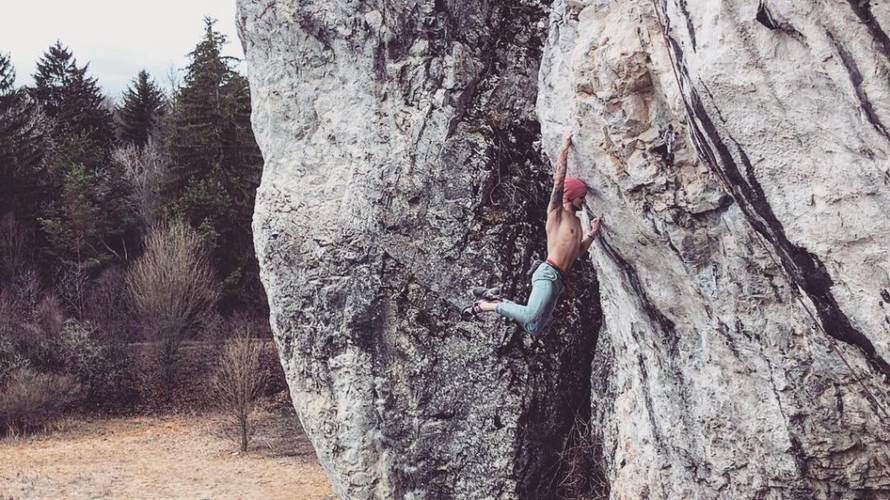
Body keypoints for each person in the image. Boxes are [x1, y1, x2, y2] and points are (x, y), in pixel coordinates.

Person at [464, 134, 601, 335]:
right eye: (581, 196)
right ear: (571, 195)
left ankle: (494, 299)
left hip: (559, 281)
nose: (583, 200)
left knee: (533, 327)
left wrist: (592, 234)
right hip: (548, 273)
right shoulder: (556, 214)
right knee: (529, 315)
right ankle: (483, 306)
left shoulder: (577, 223)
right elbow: (559, 181)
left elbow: (578, 251)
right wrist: (564, 150)